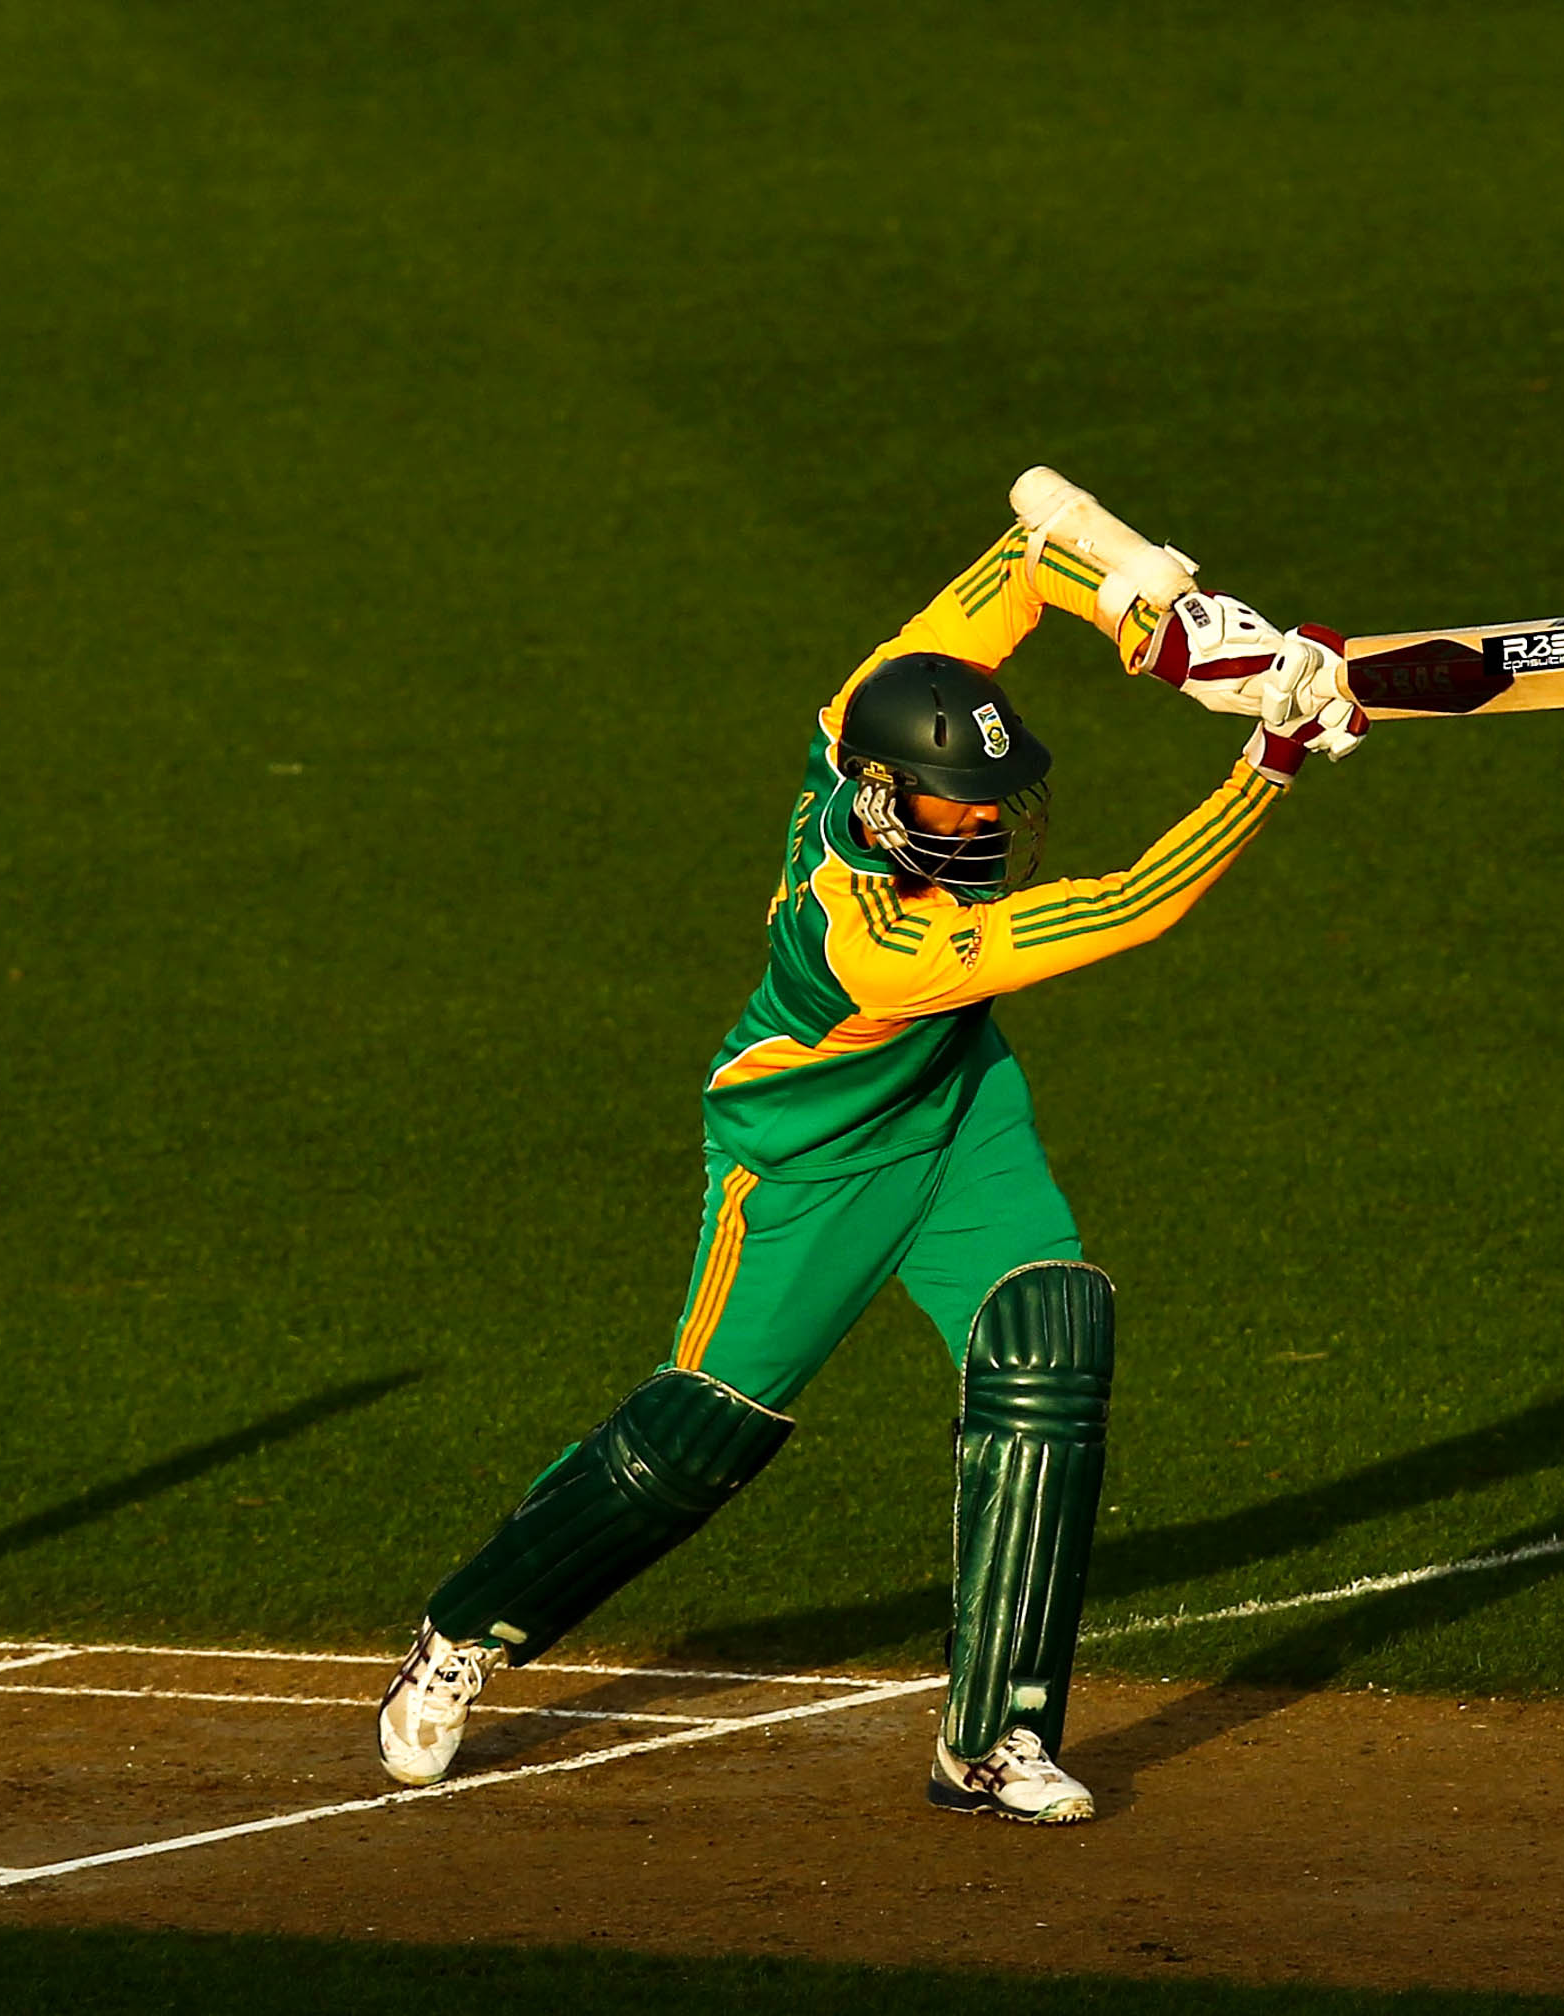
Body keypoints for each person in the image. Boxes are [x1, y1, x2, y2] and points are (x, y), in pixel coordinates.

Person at [372, 471, 1364, 1821]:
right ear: (893, 800)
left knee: (1052, 1335)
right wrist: (1274, 757)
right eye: (963, 806)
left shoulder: (869, 708)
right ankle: (461, 1639)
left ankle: (994, 1735)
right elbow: (1129, 904)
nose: (988, 822)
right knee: (695, 1446)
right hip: (803, 1165)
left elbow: (1026, 559)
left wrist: (1168, 629)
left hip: (957, 1116)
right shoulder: (880, 943)